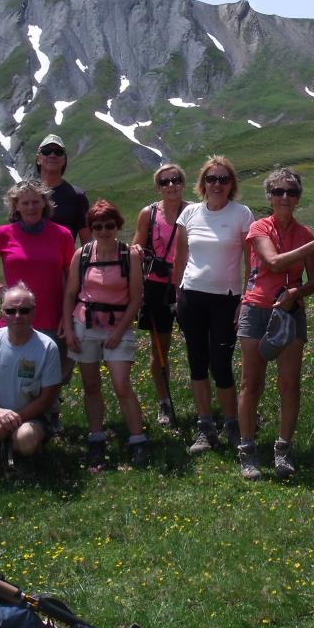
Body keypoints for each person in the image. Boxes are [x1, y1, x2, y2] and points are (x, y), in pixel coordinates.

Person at [234, 168, 314, 480]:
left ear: (297, 199)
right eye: (278, 191)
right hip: (257, 309)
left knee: (289, 385)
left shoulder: (305, 233)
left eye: (291, 192)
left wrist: (297, 291)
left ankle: (283, 449)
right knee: (251, 384)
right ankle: (248, 450)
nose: (284, 197)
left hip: (291, 312)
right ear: (269, 196)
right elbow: (273, 262)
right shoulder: (259, 228)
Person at [0, 180, 75, 429]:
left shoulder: (62, 235)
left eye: (36, 201)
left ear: (45, 203)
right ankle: (11, 419)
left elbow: (72, 277)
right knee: (14, 372)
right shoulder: (5, 233)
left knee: (51, 374)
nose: (31, 207)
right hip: (15, 317)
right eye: (24, 203)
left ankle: (49, 418)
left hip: (52, 314)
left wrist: (66, 316)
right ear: (16, 206)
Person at [173, 155, 253, 455]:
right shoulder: (189, 215)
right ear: (203, 183)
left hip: (227, 298)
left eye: (223, 179)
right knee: (196, 362)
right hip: (191, 295)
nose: (217, 184)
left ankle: (232, 424)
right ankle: (205, 426)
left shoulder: (242, 214)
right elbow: (180, 258)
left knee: (221, 364)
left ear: (232, 183)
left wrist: (245, 298)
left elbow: (250, 260)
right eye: (211, 179)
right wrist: (176, 294)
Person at [63, 200, 148, 468]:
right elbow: (70, 294)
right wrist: (68, 328)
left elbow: (136, 298)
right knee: (91, 385)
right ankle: (96, 437)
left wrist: (120, 331)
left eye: (109, 225)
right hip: (84, 324)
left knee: (121, 384)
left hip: (117, 326)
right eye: (97, 226)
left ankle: (138, 438)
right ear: (91, 228)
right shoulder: (83, 254)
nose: (103, 230)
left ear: (117, 226)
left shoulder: (129, 255)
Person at [0, 283, 62, 481]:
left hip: (30, 419)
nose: (17, 316)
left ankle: (19, 453)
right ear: (2, 313)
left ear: (33, 312)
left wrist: (10, 421)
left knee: (26, 439)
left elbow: (47, 399)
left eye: (24, 311)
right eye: (11, 311)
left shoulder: (47, 347)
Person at [132, 163, 188, 429]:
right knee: (159, 349)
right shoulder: (148, 213)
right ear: (158, 186)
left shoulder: (194, 211)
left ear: (183, 183)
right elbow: (137, 244)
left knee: (204, 345)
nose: (171, 186)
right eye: (165, 182)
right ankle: (164, 402)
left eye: (175, 180)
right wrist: (137, 253)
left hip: (188, 285)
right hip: (156, 286)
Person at [36, 133, 90, 244]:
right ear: (38, 159)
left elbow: (87, 241)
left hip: (64, 261)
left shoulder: (77, 196)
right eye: (46, 151)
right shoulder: (25, 195)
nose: (52, 155)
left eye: (58, 152)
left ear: (64, 160)